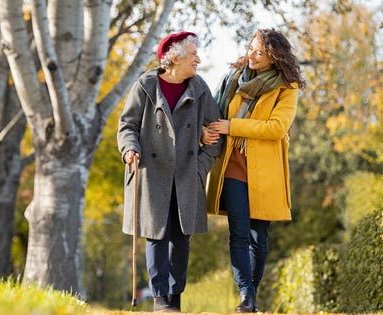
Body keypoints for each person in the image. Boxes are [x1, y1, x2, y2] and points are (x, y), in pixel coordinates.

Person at [201, 28, 306, 312]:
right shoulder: (234, 78)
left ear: (274, 58)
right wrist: (206, 131)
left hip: (265, 171)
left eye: (260, 52)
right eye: (251, 48)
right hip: (233, 165)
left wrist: (233, 126)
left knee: (260, 237)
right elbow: (214, 112)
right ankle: (246, 296)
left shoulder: (286, 88)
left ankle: (252, 294)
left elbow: (276, 128)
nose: (252, 55)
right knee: (239, 233)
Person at [117, 31, 222, 312]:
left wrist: (200, 167)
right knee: (156, 235)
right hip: (153, 172)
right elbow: (127, 125)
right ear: (174, 58)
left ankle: (175, 298)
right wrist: (129, 148)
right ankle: (160, 299)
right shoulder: (145, 85)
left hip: (187, 174)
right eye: (192, 55)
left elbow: (216, 134)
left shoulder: (200, 88)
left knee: (181, 237)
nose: (198, 60)